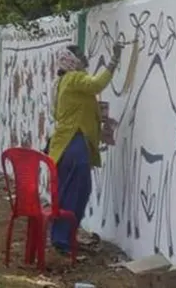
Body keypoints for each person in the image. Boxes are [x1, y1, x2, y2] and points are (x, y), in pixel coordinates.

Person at [47, 42, 123, 254]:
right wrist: (114, 61)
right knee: (76, 191)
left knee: (69, 191)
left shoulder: (62, 82)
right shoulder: (73, 78)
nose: (84, 57)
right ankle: (63, 240)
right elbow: (97, 84)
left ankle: (62, 237)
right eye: (79, 54)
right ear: (70, 60)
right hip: (73, 142)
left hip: (64, 145)